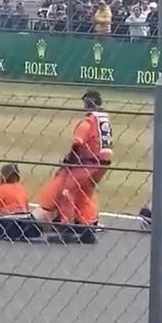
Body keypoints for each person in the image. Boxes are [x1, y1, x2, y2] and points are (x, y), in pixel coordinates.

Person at [33, 90, 112, 240]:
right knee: (85, 193)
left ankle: (66, 226)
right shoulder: (104, 118)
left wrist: (69, 160)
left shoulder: (87, 122)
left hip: (89, 161)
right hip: (104, 161)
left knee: (67, 190)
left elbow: (78, 143)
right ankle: (87, 222)